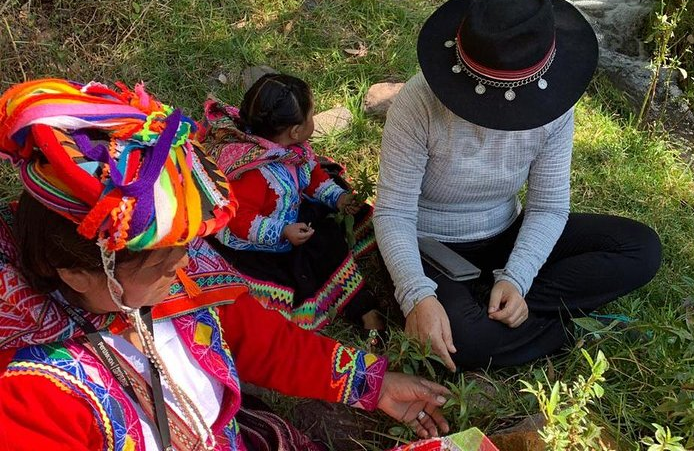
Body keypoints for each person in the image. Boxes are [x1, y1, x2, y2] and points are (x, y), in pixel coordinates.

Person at [0, 78, 458, 450]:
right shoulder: (32, 395)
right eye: (163, 266)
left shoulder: (179, 281)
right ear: (77, 273)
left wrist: (374, 384)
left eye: (187, 252)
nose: (184, 273)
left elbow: (261, 340)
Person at [373, 0, 663, 372]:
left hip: (507, 231)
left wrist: (518, 278)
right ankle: (559, 324)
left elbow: (548, 206)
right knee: (463, 341)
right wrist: (416, 296)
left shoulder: (553, 102)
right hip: (432, 244)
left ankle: (504, 302)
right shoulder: (419, 102)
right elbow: (394, 213)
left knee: (640, 248)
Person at [200, 73, 384, 336]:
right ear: (295, 130)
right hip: (258, 240)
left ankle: (360, 303)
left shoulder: (292, 150)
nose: (313, 120)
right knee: (307, 261)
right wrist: (281, 232)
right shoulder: (253, 174)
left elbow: (313, 177)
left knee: (329, 223)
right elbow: (241, 220)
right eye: (311, 116)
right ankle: (357, 305)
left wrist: (338, 198)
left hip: (289, 213)